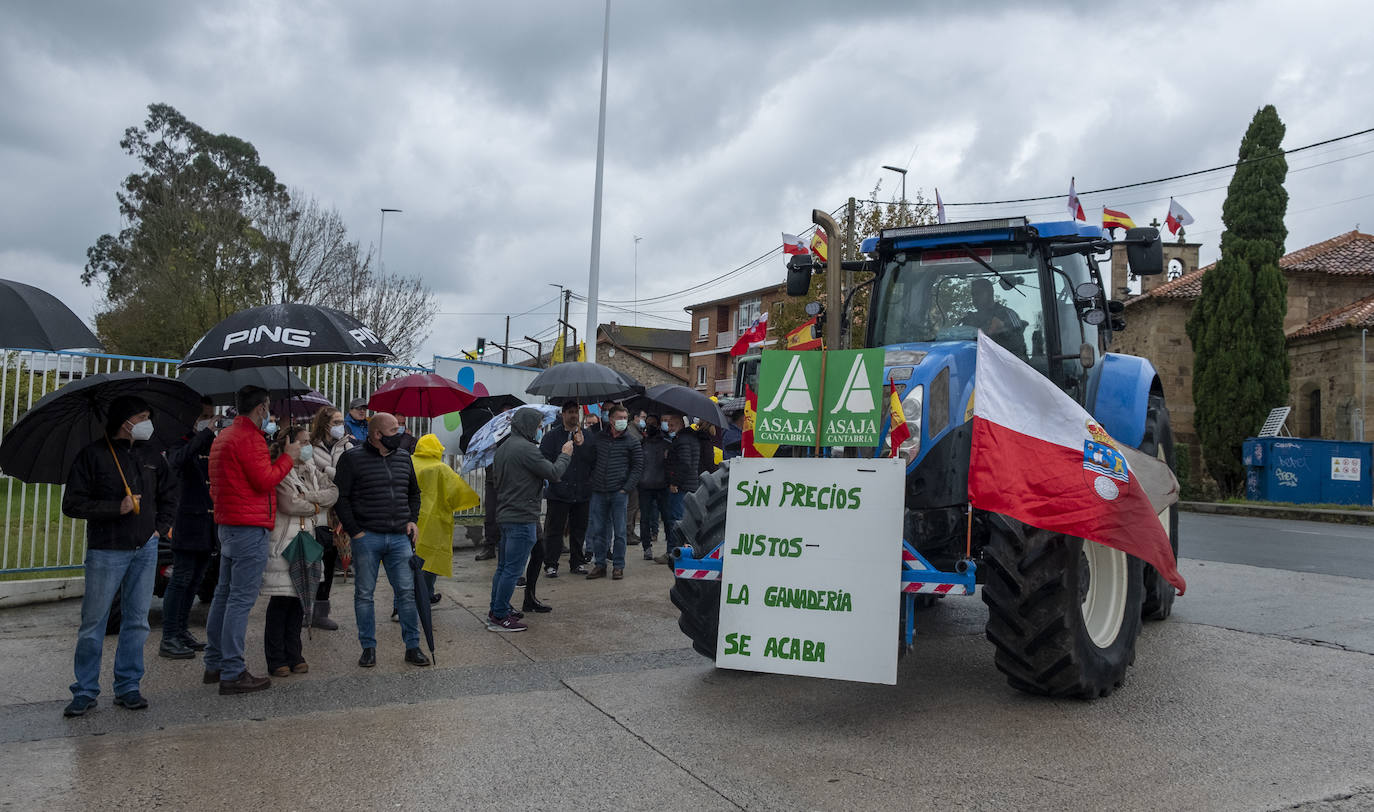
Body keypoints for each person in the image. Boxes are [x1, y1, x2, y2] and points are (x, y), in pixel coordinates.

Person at [60, 396, 177, 717]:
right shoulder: (92, 456)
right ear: (125, 421)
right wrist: (116, 508)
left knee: (137, 621)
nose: (146, 423)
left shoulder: (152, 454)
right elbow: (72, 504)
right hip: (106, 550)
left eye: (148, 417)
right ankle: (84, 690)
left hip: (146, 548)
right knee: (93, 622)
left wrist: (160, 527)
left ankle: (128, 686)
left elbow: (170, 493)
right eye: (141, 417)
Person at [205, 386, 299, 695]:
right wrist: (288, 457)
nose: (270, 416)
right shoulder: (249, 439)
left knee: (224, 595)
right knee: (240, 600)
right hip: (249, 526)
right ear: (260, 408)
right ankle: (233, 670)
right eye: (269, 409)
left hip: (229, 524)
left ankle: (215, 662)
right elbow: (265, 480)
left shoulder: (225, 437)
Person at [334, 411, 429, 668]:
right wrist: (355, 531)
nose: (398, 436)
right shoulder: (352, 459)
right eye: (393, 432)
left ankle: (413, 646)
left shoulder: (403, 458)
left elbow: (413, 493)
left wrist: (412, 519)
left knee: (406, 594)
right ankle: (368, 648)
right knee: (364, 594)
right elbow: (340, 498)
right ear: (376, 435)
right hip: (367, 538)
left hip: (400, 538)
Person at [262, 426, 337, 677]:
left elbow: (333, 493)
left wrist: (308, 496)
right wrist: (316, 506)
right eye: (302, 442)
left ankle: (295, 653)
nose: (307, 447)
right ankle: (276, 658)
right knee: (282, 600)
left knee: (300, 600)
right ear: (287, 444)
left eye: (308, 442)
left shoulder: (311, 469)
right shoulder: (279, 471)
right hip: (285, 542)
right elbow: (289, 503)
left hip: (308, 540)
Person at [488, 408, 573, 631]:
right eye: (537, 426)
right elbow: (554, 473)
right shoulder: (526, 449)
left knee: (503, 568)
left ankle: (498, 607)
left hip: (506, 514)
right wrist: (566, 453)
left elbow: (503, 481)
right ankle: (499, 616)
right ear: (527, 426)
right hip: (522, 517)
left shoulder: (504, 448)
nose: (539, 430)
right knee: (512, 571)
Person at [158, 398, 219, 660]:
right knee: (180, 579)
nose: (210, 420)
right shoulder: (179, 442)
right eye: (205, 416)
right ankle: (169, 635)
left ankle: (182, 630)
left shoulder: (209, 443)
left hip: (208, 523)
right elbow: (176, 463)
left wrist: (210, 437)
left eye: (212, 416)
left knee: (195, 580)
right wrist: (202, 433)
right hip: (186, 522)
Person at [412, 433, 479, 598]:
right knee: (432, 559)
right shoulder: (440, 468)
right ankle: (426, 595)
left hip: (410, 518)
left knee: (408, 563)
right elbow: (458, 494)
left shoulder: (408, 462)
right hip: (435, 520)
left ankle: (401, 603)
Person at [306, 406, 354, 630]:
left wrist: (328, 471)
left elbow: (350, 476)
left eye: (340, 422)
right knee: (312, 563)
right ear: (325, 424)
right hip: (317, 513)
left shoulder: (347, 445)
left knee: (330, 560)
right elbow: (310, 476)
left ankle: (321, 612)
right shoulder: (309, 447)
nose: (340, 426)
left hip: (339, 514)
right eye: (336, 422)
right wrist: (331, 474)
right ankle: (305, 609)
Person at [584, 404, 643, 581]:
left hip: (619, 492)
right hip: (599, 491)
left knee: (620, 531)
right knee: (599, 530)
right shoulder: (599, 438)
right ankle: (600, 564)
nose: (623, 421)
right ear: (610, 420)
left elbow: (638, 466)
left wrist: (626, 488)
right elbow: (590, 460)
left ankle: (618, 566)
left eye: (625, 418)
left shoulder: (632, 441)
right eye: (619, 418)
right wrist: (592, 481)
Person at [541, 402, 593, 578]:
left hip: (582, 491)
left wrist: (582, 445)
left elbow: (593, 461)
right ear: (563, 414)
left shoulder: (587, 436)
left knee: (579, 530)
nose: (573, 415)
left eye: (575, 412)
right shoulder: (551, 437)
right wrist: (556, 481)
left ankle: (577, 562)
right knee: (555, 530)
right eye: (570, 412)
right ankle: (550, 564)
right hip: (559, 492)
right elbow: (545, 461)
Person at [655, 412, 700, 564]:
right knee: (684, 520)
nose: (669, 427)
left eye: (672, 424)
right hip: (689, 484)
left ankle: (674, 552)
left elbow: (684, 463)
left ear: (680, 424)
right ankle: (683, 550)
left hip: (681, 486)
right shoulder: (689, 438)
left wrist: (675, 482)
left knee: (676, 520)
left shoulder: (683, 440)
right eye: (668, 424)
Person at [962, 277, 1027, 356]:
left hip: (1005, 364)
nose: (975, 298)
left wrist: (1003, 329)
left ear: (990, 293)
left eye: (978, 293)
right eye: (973, 294)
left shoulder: (1007, 314)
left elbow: (1019, 344)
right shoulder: (969, 319)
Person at [637, 412, 670, 561]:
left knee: (667, 518)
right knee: (645, 518)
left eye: (652, 423)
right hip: (645, 485)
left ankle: (671, 546)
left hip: (662, 485)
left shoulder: (666, 444)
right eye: (647, 422)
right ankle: (646, 547)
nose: (649, 425)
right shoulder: (641, 443)